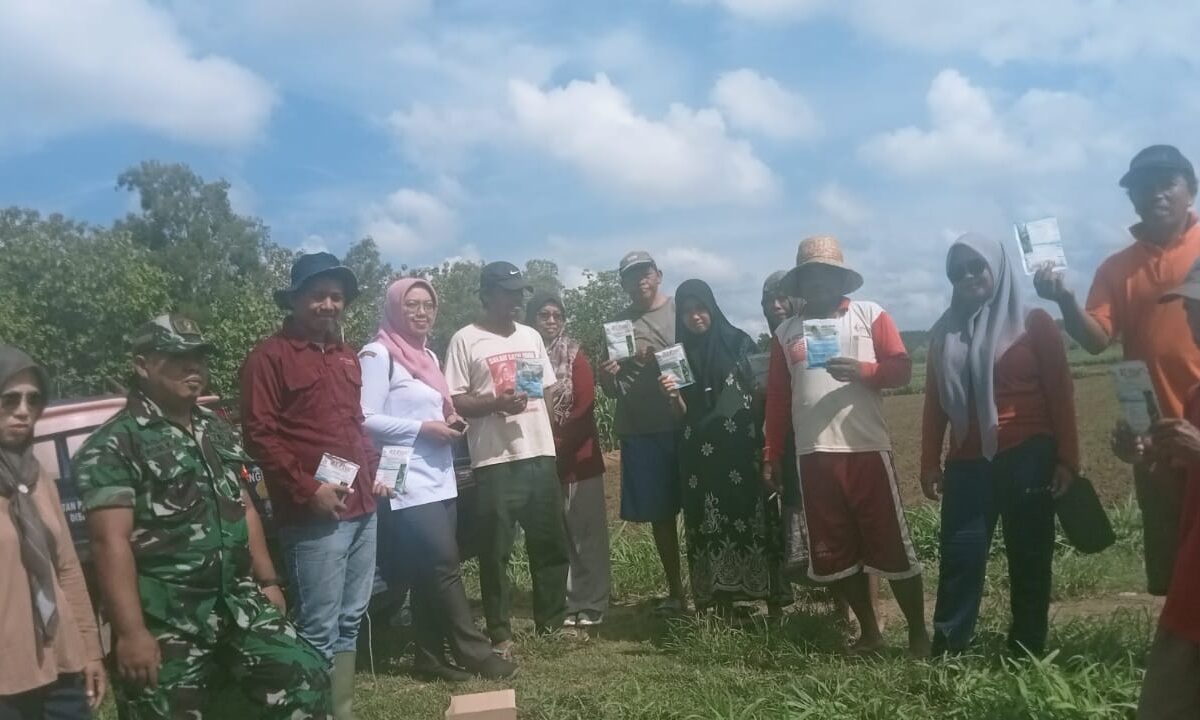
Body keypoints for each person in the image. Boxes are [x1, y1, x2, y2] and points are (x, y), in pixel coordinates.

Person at [74, 316, 330, 719]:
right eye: (177, 356)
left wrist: (268, 581)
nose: (193, 366)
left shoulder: (214, 428)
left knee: (305, 676)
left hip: (236, 604)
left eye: (199, 357)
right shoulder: (115, 444)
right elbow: (110, 542)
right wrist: (131, 632)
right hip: (166, 616)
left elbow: (243, 505)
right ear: (142, 365)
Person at [1034, 144, 1200, 596]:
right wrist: (1065, 300)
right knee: (1171, 565)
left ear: (1191, 190)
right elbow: (1095, 339)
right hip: (1155, 437)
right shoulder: (1117, 268)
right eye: (1144, 186)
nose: (1156, 193)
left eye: (1167, 183)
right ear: (1133, 199)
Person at [763, 235, 930, 655]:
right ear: (801, 283)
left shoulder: (869, 314)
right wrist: (771, 453)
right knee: (838, 552)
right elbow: (779, 400)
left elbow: (901, 369)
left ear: (840, 278)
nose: (819, 282)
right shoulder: (785, 333)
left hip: (865, 449)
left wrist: (865, 371)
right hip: (813, 456)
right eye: (811, 275)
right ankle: (870, 633)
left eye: (827, 274)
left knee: (892, 545)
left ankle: (918, 635)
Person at [922, 234, 1078, 656]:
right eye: (957, 271)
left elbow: (1060, 393)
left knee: (1030, 557)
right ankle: (949, 652)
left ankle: (1027, 650)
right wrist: (929, 461)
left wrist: (1068, 459)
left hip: (1029, 455)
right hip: (966, 462)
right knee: (960, 558)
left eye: (977, 266)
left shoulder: (1035, 323)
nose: (968, 276)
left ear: (998, 267)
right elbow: (935, 403)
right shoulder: (944, 332)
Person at [240, 252, 380, 719]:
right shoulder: (269, 358)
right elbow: (259, 435)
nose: (328, 305)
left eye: (336, 297)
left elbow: (355, 423)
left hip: (362, 508)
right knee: (318, 626)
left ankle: (341, 711)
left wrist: (376, 471)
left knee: (351, 619)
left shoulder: (346, 355)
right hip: (313, 515)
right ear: (296, 299)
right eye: (318, 296)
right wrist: (307, 489)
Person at [359, 278, 517, 682]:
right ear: (394, 307)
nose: (421, 312)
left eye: (428, 305)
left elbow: (435, 407)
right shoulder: (377, 354)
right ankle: (474, 651)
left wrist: (449, 419)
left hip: (441, 475)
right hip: (406, 477)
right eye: (411, 304)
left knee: (428, 570)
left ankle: (428, 656)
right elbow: (365, 418)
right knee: (445, 565)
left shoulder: (427, 355)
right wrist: (422, 429)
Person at [444, 262, 570, 659]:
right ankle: (500, 631)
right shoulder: (465, 340)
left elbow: (545, 389)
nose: (516, 300)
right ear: (486, 295)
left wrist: (548, 431)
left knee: (550, 542)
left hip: (539, 453)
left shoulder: (531, 336)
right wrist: (495, 403)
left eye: (519, 293)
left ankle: (551, 623)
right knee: (495, 549)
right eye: (508, 292)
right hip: (494, 459)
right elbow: (456, 400)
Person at [659, 280, 790, 616]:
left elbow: (760, 396)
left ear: (713, 308)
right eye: (687, 312)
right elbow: (680, 414)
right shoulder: (676, 356)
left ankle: (773, 602)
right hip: (699, 458)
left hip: (741, 449)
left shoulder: (739, 343)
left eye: (700, 308)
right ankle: (721, 606)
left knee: (753, 517)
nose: (695, 317)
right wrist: (672, 397)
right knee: (709, 522)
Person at [0, 347, 106, 720]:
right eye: (9, 399)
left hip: (61, 666)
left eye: (33, 400)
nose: (23, 410)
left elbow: (67, 568)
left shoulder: (36, 477)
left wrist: (90, 650)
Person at [597, 251, 687, 614]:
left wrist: (660, 357)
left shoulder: (681, 310)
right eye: (631, 277)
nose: (640, 281)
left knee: (698, 510)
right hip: (640, 428)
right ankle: (677, 591)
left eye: (645, 273)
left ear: (658, 275)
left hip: (682, 422)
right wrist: (606, 376)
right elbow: (612, 389)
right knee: (660, 516)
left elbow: (695, 363)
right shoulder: (616, 324)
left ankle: (710, 589)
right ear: (623, 284)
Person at [1134, 258, 1200, 718]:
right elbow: (1185, 501)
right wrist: (1150, 459)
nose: (1192, 319)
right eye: (1190, 308)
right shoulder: (1195, 398)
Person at [527, 292, 611, 629]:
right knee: (556, 535)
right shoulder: (527, 355)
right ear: (532, 319)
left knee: (585, 534)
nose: (551, 321)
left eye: (557, 315)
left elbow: (584, 404)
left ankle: (591, 601)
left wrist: (555, 443)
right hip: (539, 459)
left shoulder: (574, 354)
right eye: (544, 314)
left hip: (578, 457)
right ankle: (564, 600)